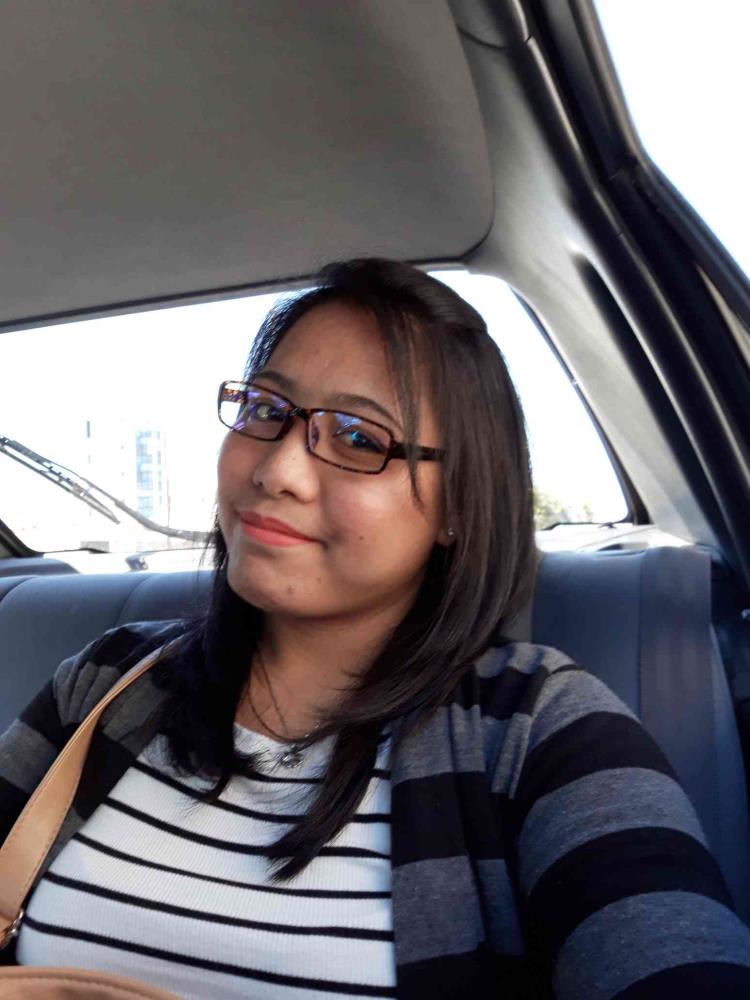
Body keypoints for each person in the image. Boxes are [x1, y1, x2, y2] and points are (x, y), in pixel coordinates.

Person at [1, 258, 750, 999]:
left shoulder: (536, 730)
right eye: (266, 408)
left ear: (459, 507)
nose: (277, 470)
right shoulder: (111, 681)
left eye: (360, 439)